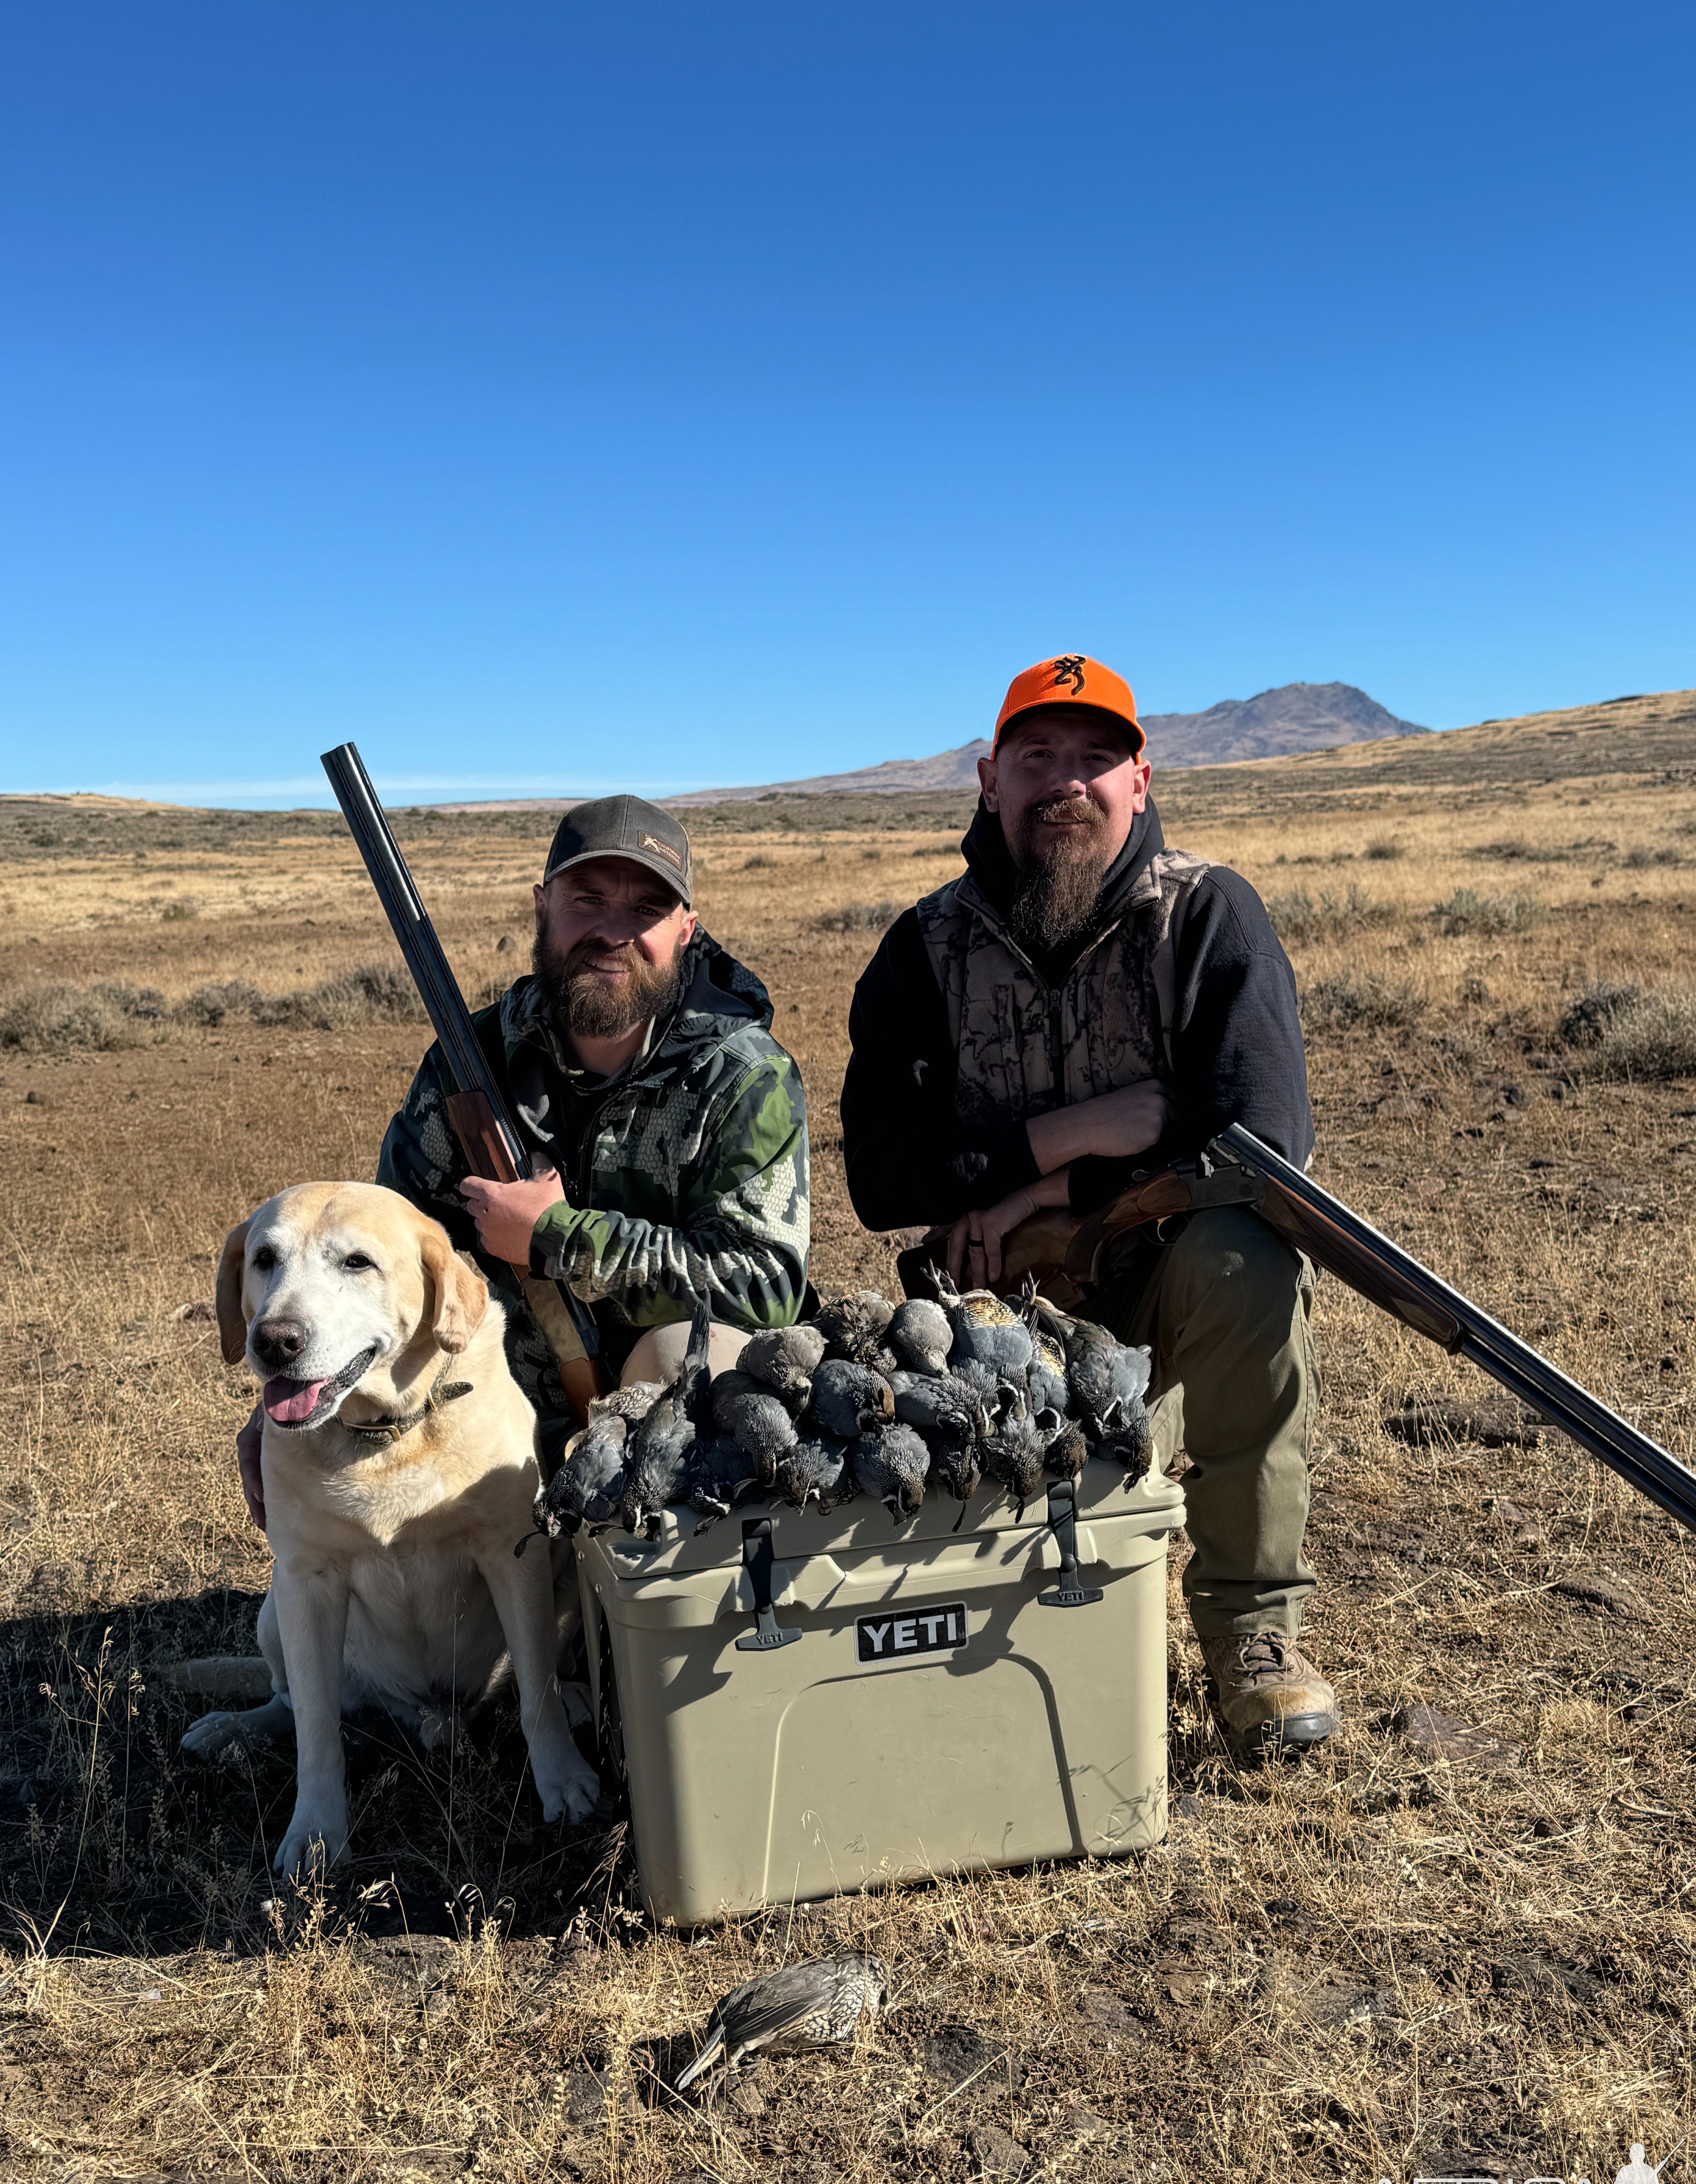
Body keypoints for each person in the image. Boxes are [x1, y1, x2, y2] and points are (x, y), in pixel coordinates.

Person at [840, 653, 1336, 1758]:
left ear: (1141, 783)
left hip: (1162, 1277)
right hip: (1001, 1301)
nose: (1067, 781)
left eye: (1095, 759)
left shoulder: (1208, 916)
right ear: (988, 780)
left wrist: (1054, 1189)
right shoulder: (924, 948)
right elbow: (879, 1178)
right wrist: (1063, 1139)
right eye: (1038, 758)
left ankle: (1251, 1634)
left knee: (1247, 1258)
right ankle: (988, 1630)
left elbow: (1264, 1145)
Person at [238, 794, 808, 1519]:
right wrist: (288, 1394)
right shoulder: (466, 1065)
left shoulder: (744, 1075)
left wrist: (558, 1238)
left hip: (666, 1413)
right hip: (495, 1406)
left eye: (646, 911)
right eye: (588, 899)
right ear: (542, 907)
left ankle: (668, 1590)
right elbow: (385, 1267)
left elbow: (763, 1288)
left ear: (687, 931)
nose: (612, 932)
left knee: (696, 1359)